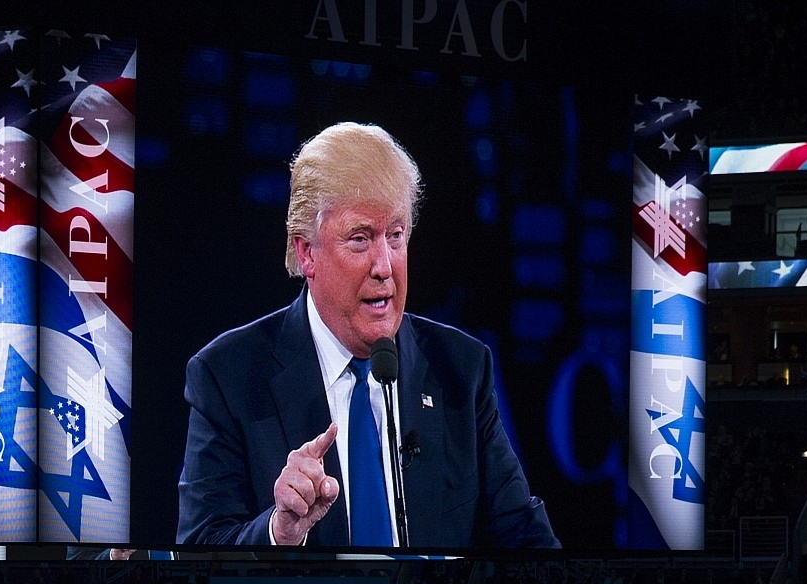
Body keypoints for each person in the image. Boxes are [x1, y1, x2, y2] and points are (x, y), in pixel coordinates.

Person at [177, 121, 557, 549]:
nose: (385, 265)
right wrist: (277, 533)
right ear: (307, 253)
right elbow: (199, 554)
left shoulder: (462, 370)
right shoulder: (228, 377)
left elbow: (526, 545)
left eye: (396, 236)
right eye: (360, 239)